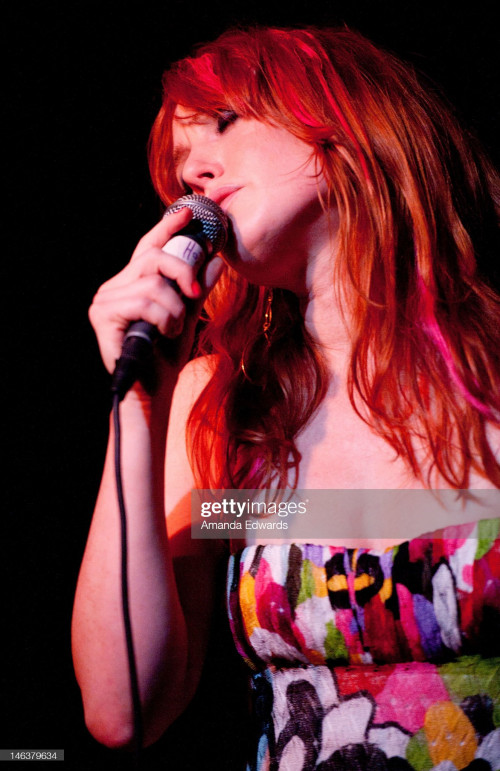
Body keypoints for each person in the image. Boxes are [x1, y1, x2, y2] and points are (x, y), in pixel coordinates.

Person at [72, 26, 500, 770]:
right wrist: (143, 401)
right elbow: (122, 706)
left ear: (341, 118)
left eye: (223, 123)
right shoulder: (224, 407)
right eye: (180, 169)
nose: (195, 173)